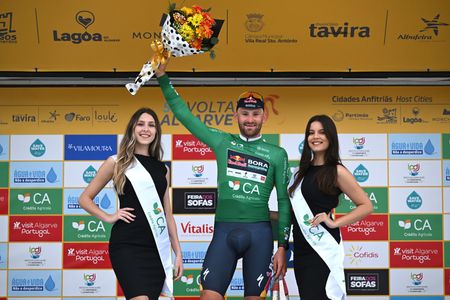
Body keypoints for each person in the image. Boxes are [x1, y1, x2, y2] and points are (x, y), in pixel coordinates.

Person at [154, 62, 291, 300]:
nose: (250, 119)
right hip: (224, 231)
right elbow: (185, 116)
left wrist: (282, 247)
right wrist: (163, 78)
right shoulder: (223, 142)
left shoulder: (277, 154)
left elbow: (283, 202)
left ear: (264, 116)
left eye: (256, 114)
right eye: (245, 114)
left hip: (259, 234)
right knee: (209, 296)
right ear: (236, 115)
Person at [78, 108, 183, 300]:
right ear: (132, 129)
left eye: (151, 125)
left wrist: (178, 253)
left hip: (156, 248)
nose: (146, 129)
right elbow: (84, 199)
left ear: (156, 132)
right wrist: (110, 217)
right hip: (127, 245)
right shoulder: (117, 162)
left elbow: (167, 214)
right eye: (140, 124)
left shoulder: (163, 169)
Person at [288, 115, 373, 300]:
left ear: (330, 136)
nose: (315, 136)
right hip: (302, 249)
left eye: (321, 132)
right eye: (311, 133)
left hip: (323, 247)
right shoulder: (300, 172)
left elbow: (366, 206)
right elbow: (293, 214)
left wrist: (334, 223)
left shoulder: (337, 171)